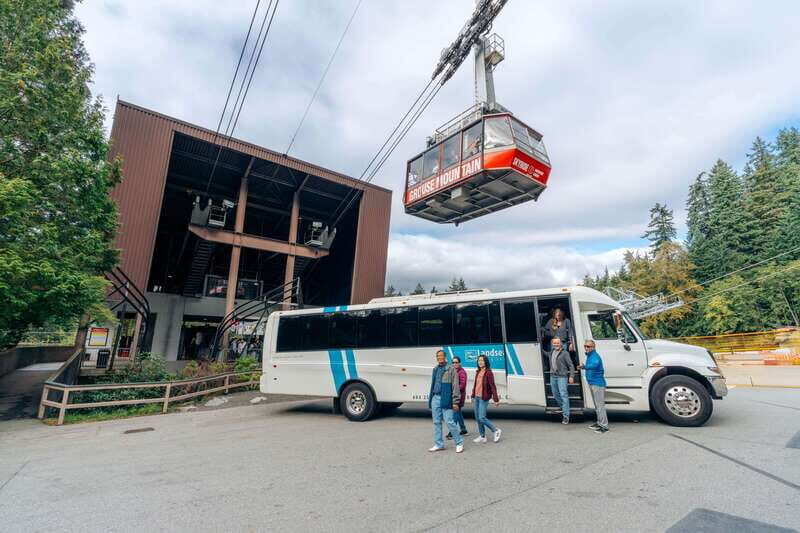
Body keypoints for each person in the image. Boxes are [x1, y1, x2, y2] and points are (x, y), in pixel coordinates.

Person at [428, 350, 464, 453]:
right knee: (436, 422)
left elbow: (455, 386)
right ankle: (439, 444)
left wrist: (455, 402)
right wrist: (431, 399)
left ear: (445, 357)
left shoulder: (451, 369)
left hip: (446, 398)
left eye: (441, 356)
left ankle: (459, 442)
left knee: (449, 421)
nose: (439, 358)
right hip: (435, 397)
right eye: (438, 356)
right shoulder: (435, 369)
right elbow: (433, 385)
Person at [577, 340, 609, 433]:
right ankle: (599, 423)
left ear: (593, 347)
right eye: (585, 346)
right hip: (593, 383)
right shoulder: (590, 355)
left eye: (588, 346)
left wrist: (584, 367)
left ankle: (604, 427)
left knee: (600, 406)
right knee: (597, 405)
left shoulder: (595, 356)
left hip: (597, 384)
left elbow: (594, 364)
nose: (586, 348)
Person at [472, 354, 501, 443]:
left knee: (482, 417)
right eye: (479, 360)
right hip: (476, 397)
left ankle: (495, 430)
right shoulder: (478, 371)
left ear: (486, 362)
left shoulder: (488, 372)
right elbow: (476, 385)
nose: (480, 362)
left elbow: (493, 387)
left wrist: (496, 399)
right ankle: (482, 436)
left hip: (483, 397)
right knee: (477, 417)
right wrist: (473, 395)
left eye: (482, 360)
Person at [549, 337, 575, 424]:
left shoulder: (565, 353)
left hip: (562, 376)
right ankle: (563, 407)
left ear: (561, 344)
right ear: (552, 344)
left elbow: (571, 365)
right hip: (553, 376)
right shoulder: (552, 352)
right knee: (555, 394)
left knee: (563, 395)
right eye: (554, 343)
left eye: (557, 343)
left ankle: (566, 416)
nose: (556, 344)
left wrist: (571, 376)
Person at [447, 356, 468, 439]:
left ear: (460, 363)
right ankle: (463, 430)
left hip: (459, 396)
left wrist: (454, 390)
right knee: (458, 413)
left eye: (456, 362)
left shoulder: (462, 372)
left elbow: (462, 385)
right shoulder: (453, 371)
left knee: (454, 414)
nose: (454, 364)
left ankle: (452, 432)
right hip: (454, 395)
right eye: (453, 362)